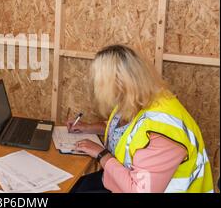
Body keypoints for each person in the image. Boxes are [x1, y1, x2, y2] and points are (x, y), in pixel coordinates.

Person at [68, 44, 213, 193]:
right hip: (116, 179)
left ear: (118, 82)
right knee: (71, 186)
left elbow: (139, 190)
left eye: (99, 81)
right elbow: (127, 131)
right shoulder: (136, 99)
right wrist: (88, 127)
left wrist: (101, 154)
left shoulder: (161, 131)